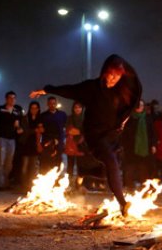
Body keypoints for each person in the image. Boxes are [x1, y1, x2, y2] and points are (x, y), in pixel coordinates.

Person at [30, 54, 142, 217]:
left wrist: (123, 120)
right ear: (104, 72)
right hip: (95, 135)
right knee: (111, 162)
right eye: (110, 74)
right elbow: (70, 90)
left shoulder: (122, 90)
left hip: (112, 136)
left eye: (117, 76)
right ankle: (123, 204)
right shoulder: (91, 88)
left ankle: (85, 173)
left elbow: (133, 96)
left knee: (109, 169)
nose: (112, 79)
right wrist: (47, 89)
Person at [121, 99, 156, 192]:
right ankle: (129, 187)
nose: (139, 107)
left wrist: (153, 145)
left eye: (141, 105)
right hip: (131, 147)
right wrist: (123, 145)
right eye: (138, 105)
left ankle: (143, 189)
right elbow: (124, 133)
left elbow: (152, 133)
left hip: (144, 148)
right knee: (130, 169)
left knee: (143, 169)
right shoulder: (129, 118)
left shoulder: (147, 118)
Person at [0, 91, 23, 190]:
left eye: (14, 98)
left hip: (12, 139)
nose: (12, 99)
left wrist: (19, 128)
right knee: (1, 160)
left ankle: (6, 182)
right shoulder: (0, 109)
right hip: (2, 137)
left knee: (9, 161)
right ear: (6, 99)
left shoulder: (17, 110)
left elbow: (18, 123)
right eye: (10, 98)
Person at [19, 101, 43, 190]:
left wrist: (38, 130)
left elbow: (42, 130)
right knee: (24, 167)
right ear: (29, 109)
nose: (34, 110)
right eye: (32, 108)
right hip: (26, 144)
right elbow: (24, 130)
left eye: (36, 108)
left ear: (38, 109)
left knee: (33, 167)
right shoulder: (25, 118)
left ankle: (31, 185)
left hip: (35, 145)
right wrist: (35, 130)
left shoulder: (40, 118)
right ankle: (23, 185)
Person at [40, 96, 67, 173]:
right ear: (47, 104)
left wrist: (64, 141)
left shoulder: (62, 114)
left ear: (56, 104)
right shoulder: (43, 115)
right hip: (47, 141)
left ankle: (56, 181)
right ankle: (45, 179)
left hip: (59, 141)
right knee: (46, 161)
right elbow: (41, 128)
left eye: (54, 103)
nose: (52, 105)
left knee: (58, 161)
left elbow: (65, 127)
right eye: (50, 103)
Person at [64, 101, 86, 184]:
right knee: (70, 166)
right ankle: (69, 184)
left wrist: (80, 132)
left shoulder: (85, 118)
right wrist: (81, 132)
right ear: (73, 109)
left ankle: (79, 185)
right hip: (71, 145)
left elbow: (88, 130)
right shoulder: (70, 118)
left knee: (82, 167)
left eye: (79, 107)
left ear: (82, 108)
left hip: (82, 145)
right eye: (75, 107)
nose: (77, 109)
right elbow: (69, 130)